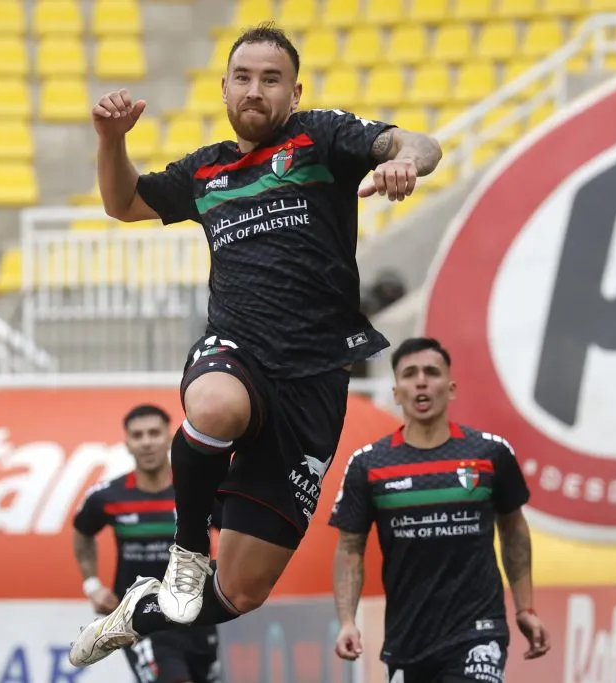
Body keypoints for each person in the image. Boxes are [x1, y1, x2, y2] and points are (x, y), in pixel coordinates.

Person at [69, 21, 443, 668]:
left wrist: (406, 160)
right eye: (243, 77)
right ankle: (187, 551)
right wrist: (109, 139)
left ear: (293, 92)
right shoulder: (207, 169)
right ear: (223, 89)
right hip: (237, 347)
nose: (255, 90)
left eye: (271, 79)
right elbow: (123, 201)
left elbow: (419, 141)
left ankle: (143, 609)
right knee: (214, 408)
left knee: (242, 589)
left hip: (315, 377)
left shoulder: (321, 137)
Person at [328, 337, 551, 683]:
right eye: (409, 374)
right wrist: (347, 620)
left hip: (478, 630)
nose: (421, 381)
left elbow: (514, 530)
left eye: (431, 372)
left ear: (451, 388)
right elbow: (349, 549)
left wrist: (525, 607)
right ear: (396, 392)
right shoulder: (368, 464)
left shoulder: (490, 454)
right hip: (407, 639)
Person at [72, 404, 222, 683]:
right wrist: (92, 585)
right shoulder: (107, 496)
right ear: (127, 443)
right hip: (142, 620)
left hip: (199, 615)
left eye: (154, 433)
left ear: (168, 437)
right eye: (137, 435)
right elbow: (82, 532)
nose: (146, 442)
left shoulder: (199, 491)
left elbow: (236, 531)